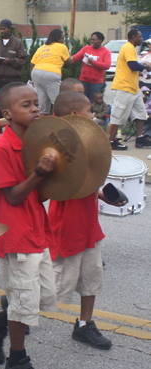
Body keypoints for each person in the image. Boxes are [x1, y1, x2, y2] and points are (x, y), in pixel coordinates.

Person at [0, 82, 57, 369]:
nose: (35, 109)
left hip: (37, 230)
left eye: (36, 103)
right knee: (24, 304)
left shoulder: (36, 145)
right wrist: (39, 173)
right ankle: (17, 363)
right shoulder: (2, 148)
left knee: (42, 296)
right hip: (16, 234)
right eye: (27, 105)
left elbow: (43, 193)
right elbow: (12, 196)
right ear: (7, 114)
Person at [50, 90, 125, 350]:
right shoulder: (55, 146)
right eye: (88, 112)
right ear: (74, 115)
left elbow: (89, 184)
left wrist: (104, 195)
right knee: (53, 287)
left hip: (90, 224)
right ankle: (7, 316)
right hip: (68, 225)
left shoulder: (86, 143)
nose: (93, 115)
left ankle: (84, 325)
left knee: (91, 278)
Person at [109, 29, 151, 150]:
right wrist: (146, 66)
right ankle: (112, 140)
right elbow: (132, 65)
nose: (142, 39)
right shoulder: (128, 47)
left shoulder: (132, 49)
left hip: (134, 88)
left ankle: (140, 138)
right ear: (133, 37)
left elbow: (132, 69)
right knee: (118, 114)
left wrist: (144, 74)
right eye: (140, 36)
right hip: (124, 87)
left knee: (141, 113)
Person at [30, 28, 74, 116]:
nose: (63, 40)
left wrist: (32, 78)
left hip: (36, 73)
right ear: (58, 38)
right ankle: (60, 124)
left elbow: (32, 64)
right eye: (62, 38)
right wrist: (75, 57)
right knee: (58, 102)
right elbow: (69, 61)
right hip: (50, 73)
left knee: (43, 106)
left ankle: (42, 126)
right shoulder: (61, 46)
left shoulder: (41, 48)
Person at [0, 19, 27, 118]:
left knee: (12, 102)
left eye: (4, 29)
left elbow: (23, 59)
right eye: (0, 29)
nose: (2, 31)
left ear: (10, 29)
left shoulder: (17, 43)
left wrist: (10, 61)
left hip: (12, 79)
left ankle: (12, 124)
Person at [71, 31, 111, 103]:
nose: (92, 41)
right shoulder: (86, 48)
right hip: (83, 80)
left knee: (93, 102)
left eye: (94, 40)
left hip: (96, 83)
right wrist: (69, 58)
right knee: (81, 101)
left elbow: (107, 65)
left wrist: (93, 62)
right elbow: (76, 57)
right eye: (91, 39)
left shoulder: (106, 52)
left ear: (100, 40)